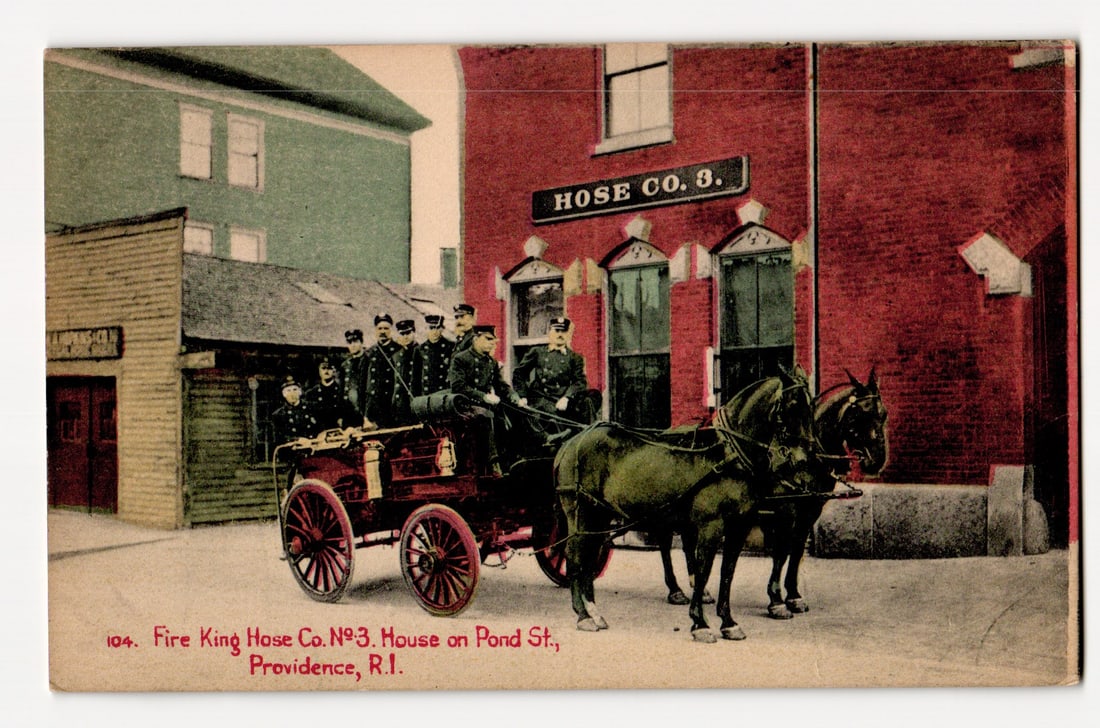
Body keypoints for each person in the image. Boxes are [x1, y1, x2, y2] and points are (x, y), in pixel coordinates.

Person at [447, 324, 525, 475]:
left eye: (493, 340)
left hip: (486, 405)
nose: (492, 343)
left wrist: (515, 397)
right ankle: (493, 462)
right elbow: (458, 386)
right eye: (488, 339)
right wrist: (483, 396)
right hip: (464, 405)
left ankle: (511, 460)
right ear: (476, 339)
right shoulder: (460, 359)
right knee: (486, 417)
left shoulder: (491, 362)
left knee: (508, 419)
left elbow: (501, 386)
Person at [512, 317, 594, 423]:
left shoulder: (574, 358)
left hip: (561, 399)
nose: (560, 334)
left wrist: (566, 398)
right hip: (540, 398)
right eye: (557, 331)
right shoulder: (538, 352)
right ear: (550, 333)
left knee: (590, 399)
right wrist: (522, 396)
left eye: (563, 331)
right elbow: (519, 373)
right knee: (553, 417)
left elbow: (580, 382)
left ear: (568, 334)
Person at [362, 313, 401, 428]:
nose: (382, 331)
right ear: (375, 330)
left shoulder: (398, 350)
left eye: (386, 328)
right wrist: (364, 413)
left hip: (391, 408)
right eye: (379, 328)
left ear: (391, 330)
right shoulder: (369, 353)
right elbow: (363, 384)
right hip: (373, 409)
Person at [304, 356, 360, 433]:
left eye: (330, 368)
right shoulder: (311, 394)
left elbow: (349, 413)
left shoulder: (343, 391)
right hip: (320, 432)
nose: (326, 371)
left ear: (334, 371)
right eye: (323, 368)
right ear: (319, 371)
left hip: (340, 431)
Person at [270, 375, 317, 447]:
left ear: (300, 392)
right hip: (293, 451)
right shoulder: (279, 415)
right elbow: (280, 438)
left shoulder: (313, 408)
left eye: (295, 389)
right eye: (288, 391)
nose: (292, 394)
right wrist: (297, 440)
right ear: (284, 394)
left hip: (314, 447)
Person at [390, 319, 420, 425]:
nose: (405, 337)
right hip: (401, 407)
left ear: (414, 333)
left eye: (408, 333)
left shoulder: (422, 352)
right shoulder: (396, 357)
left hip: (417, 405)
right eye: (402, 334)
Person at [415, 314, 454, 396]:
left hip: (443, 394)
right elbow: (416, 377)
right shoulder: (420, 349)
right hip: (426, 394)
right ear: (426, 329)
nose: (434, 331)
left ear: (442, 329)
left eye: (437, 328)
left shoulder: (450, 347)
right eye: (431, 328)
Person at [341, 328, 367, 413]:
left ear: (361, 342)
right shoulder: (345, 365)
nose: (353, 345)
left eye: (355, 341)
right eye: (349, 343)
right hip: (349, 410)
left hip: (365, 408)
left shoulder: (369, 361)